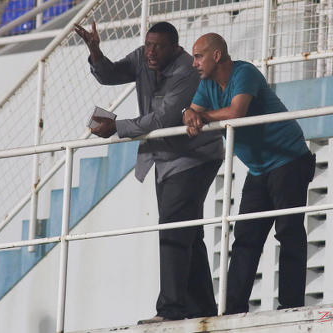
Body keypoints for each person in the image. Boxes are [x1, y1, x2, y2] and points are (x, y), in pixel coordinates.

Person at [74, 22, 224, 323]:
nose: (150, 52)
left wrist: (117, 127)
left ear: (175, 48)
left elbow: (165, 118)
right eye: (148, 45)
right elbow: (110, 75)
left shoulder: (186, 71)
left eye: (158, 46)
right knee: (188, 233)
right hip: (166, 158)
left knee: (172, 229)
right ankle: (203, 307)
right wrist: (95, 51)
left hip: (195, 157)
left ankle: (170, 310)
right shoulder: (142, 57)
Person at [183, 33, 315, 314]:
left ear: (216, 56)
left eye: (198, 56)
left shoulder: (244, 72)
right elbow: (192, 110)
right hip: (259, 168)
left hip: (289, 159)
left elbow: (236, 112)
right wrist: (188, 113)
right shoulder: (206, 85)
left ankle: (291, 306)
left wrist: (202, 116)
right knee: (246, 236)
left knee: (288, 231)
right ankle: (232, 308)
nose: (194, 62)